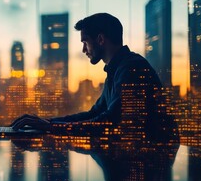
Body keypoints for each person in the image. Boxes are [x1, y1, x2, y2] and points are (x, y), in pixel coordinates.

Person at [11, 13, 171, 138]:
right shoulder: (117, 69)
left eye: (85, 42)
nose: (83, 50)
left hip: (149, 164)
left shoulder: (131, 68)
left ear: (100, 39)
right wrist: (48, 122)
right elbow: (94, 114)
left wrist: (51, 127)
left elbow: (110, 122)